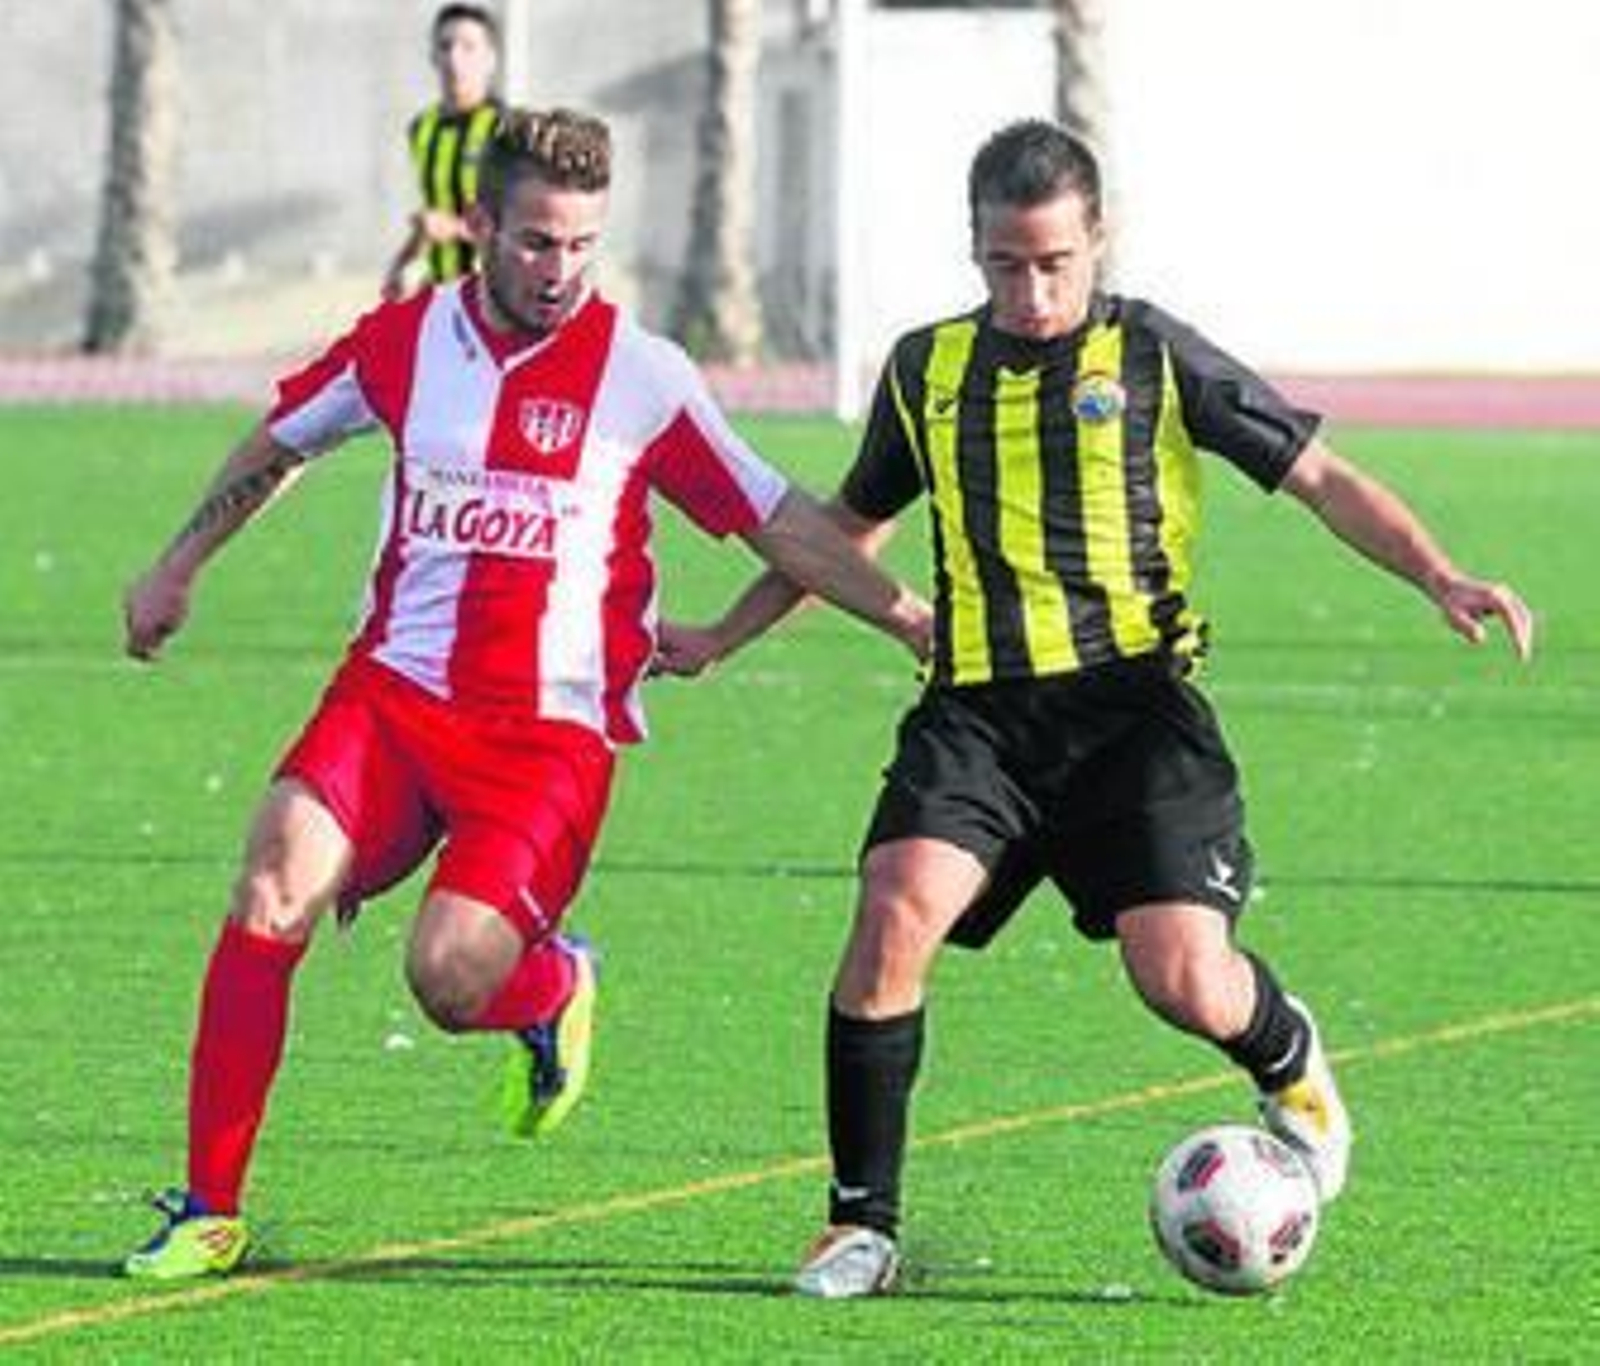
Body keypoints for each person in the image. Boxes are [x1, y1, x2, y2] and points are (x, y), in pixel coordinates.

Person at [655, 118, 1536, 1298]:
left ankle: (1288, 1054)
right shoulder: (926, 372)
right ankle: (859, 1224)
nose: (1029, 289)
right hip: (977, 714)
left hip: (1134, 716)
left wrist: (1437, 572)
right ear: (973, 252)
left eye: (1053, 263)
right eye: (1004, 264)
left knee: (1181, 979)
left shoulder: (1156, 357)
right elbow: (841, 530)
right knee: (892, 908)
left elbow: (1316, 475)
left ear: (1096, 241)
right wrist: (720, 636)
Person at [120, 106, 932, 1282]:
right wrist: (178, 563)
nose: (560, 270)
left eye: (582, 245)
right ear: (485, 229)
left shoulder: (640, 376)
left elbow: (777, 519)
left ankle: (550, 984)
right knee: (269, 882)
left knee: (447, 979)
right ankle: (210, 1205)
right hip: (392, 696)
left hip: (547, 740)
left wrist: (904, 614)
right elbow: (278, 443)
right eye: (538, 242)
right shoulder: (403, 341)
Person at [381, 3, 504, 300]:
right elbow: (433, 216)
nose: (454, 58)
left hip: (497, 296)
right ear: (432, 56)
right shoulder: (422, 128)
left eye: (468, 47)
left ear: (490, 59)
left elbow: (521, 227)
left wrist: (455, 228)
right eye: (445, 45)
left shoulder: (507, 129)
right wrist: (403, 262)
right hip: (440, 293)